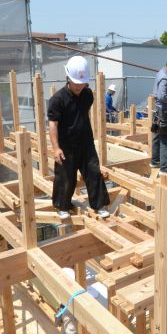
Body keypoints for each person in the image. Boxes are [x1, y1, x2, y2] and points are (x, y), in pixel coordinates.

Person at [48, 56, 111, 220]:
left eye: (82, 83)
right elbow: (53, 124)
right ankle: (63, 206)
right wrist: (56, 148)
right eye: (76, 82)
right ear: (68, 77)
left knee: (94, 172)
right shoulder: (57, 100)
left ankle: (99, 205)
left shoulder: (88, 95)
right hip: (66, 146)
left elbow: (81, 114)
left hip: (86, 143)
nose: (79, 86)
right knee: (65, 177)